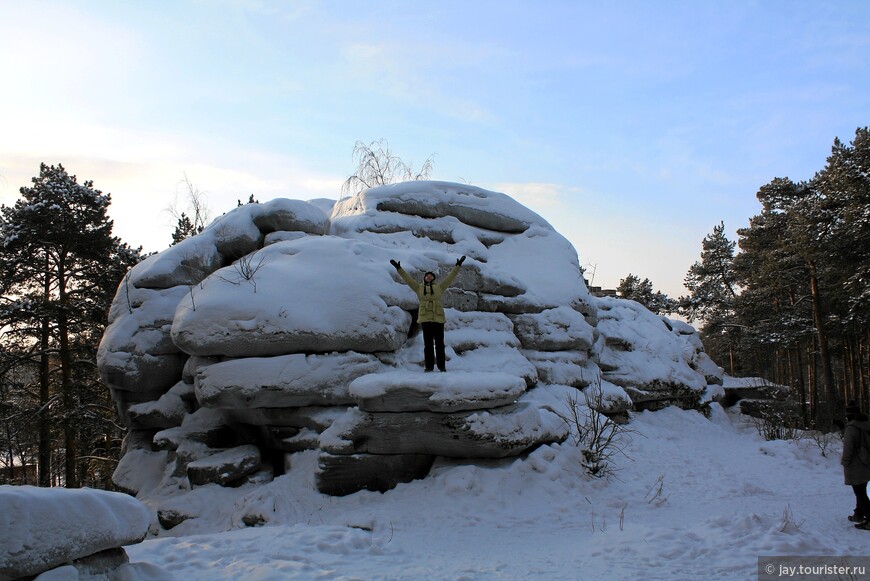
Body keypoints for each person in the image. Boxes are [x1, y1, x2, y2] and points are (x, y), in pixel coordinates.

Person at [390, 256, 466, 372]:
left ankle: (442, 366)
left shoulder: (439, 288)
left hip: (438, 319)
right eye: (427, 275)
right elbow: (408, 280)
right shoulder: (419, 288)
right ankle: (429, 367)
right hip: (426, 320)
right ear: (424, 278)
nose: (429, 277)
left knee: (440, 345)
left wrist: (458, 266)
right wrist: (399, 268)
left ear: (433, 278)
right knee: (428, 345)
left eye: (431, 276)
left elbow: (450, 278)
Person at [841, 403, 870, 530]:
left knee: (860, 491)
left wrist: (845, 462)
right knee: (861, 489)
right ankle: (858, 514)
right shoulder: (867, 424)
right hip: (867, 462)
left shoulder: (851, 428)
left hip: (857, 464)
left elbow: (848, 448)